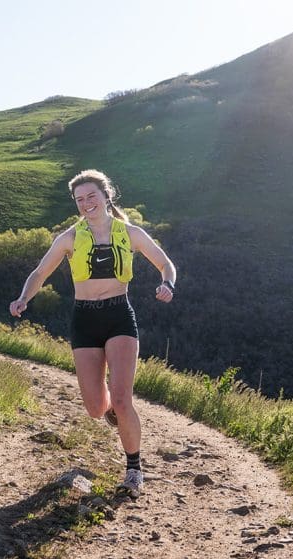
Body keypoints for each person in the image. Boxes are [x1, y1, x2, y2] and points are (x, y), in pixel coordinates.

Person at [9, 169, 176, 497]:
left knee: (124, 398)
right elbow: (40, 272)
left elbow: (165, 263)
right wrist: (24, 298)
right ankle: (111, 408)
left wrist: (167, 284)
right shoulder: (69, 238)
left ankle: (134, 470)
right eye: (79, 199)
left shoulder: (131, 233)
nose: (86, 203)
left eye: (91, 196)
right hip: (84, 319)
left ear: (106, 196)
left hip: (119, 316)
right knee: (96, 408)